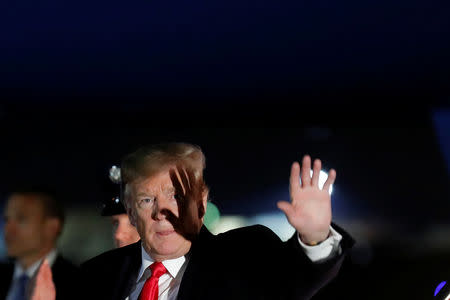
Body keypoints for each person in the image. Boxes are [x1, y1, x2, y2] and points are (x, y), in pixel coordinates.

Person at [80, 142, 355, 300]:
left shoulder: (244, 255)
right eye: (146, 200)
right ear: (130, 211)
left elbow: (295, 280)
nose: (162, 213)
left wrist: (315, 237)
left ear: (201, 203)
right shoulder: (94, 276)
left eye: (175, 196)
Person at [0, 186, 80, 300]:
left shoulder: (77, 283)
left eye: (21, 219)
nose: (8, 229)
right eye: (6, 219)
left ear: (52, 227)